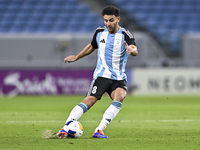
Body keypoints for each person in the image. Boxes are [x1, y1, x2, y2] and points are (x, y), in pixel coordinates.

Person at [57, 5, 138, 138]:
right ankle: (66, 126)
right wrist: (77, 57)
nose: (108, 23)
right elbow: (91, 46)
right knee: (90, 101)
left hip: (118, 77)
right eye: (106, 20)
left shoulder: (125, 34)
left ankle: (99, 129)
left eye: (111, 20)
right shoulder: (99, 32)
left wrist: (132, 50)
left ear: (118, 19)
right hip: (102, 75)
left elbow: (134, 49)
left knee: (120, 97)